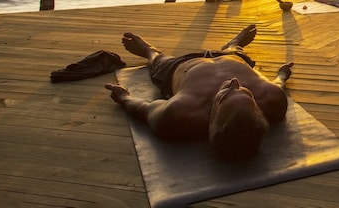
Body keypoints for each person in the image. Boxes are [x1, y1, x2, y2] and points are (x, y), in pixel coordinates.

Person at [104, 24, 293, 160]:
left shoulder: (180, 113)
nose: (235, 82)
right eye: (247, 93)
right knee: (236, 52)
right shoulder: (272, 99)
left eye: (226, 92)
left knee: (158, 61)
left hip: (179, 65)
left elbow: (145, 108)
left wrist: (123, 97)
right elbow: (279, 83)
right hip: (233, 58)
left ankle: (150, 51)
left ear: (211, 117)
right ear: (258, 108)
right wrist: (282, 74)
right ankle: (234, 45)